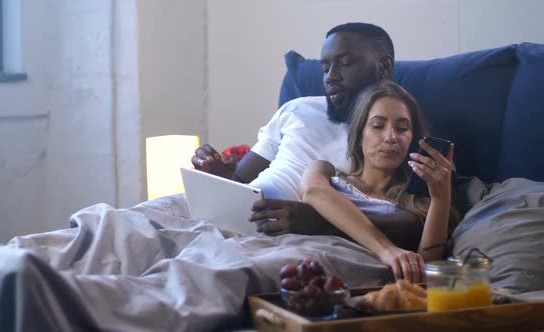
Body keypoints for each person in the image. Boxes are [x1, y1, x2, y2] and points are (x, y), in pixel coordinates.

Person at [192, 22, 395, 236]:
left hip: (292, 238)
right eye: (325, 68)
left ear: (383, 67)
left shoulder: (395, 137)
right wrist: (218, 177)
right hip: (239, 218)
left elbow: (416, 222)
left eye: (345, 63)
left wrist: (323, 222)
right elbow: (240, 182)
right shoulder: (298, 108)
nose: (331, 77)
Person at [300, 80, 460, 282]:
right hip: (296, 256)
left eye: (402, 128)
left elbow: (423, 274)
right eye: (378, 126)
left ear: (412, 139)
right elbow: (313, 191)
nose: (391, 137)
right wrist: (387, 250)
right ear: (359, 135)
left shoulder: (417, 202)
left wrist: (440, 199)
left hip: (338, 277)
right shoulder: (324, 171)